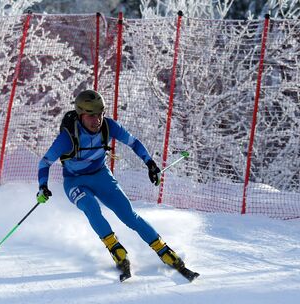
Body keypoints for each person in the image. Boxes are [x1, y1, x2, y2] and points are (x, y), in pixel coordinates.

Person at [36, 89, 198, 282]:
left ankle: (164, 250)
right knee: (91, 207)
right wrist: (42, 186)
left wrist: (150, 163)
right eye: (91, 116)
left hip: (101, 176)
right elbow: (44, 162)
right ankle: (116, 250)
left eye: (100, 114)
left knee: (129, 216)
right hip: (75, 181)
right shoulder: (68, 137)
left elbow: (134, 142)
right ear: (80, 115)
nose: (97, 120)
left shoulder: (108, 126)